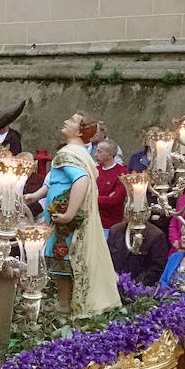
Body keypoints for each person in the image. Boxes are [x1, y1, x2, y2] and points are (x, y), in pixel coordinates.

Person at [41, 113, 121, 317]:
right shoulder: (80, 153)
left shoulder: (68, 153)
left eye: (72, 120)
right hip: (61, 214)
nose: (66, 120)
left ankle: (63, 305)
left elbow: (81, 180)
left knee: (64, 258)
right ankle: (66, 302)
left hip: (65, 220)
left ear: (79, 130)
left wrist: (68, 214)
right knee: (65, 258)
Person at [107, 221, 169, 286]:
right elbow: (107, 258)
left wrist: (135, 285)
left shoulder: (156, 235)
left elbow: (157, 266)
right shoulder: (115, 230)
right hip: (112, 283)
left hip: (140, 289)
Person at [93, 138, 128, 230]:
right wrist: (104, 198)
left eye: (99, 152)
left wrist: (92, 198)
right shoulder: (94, 171)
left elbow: (115, 200)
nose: (95, 155)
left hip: (109, 225)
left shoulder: (122, 173)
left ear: (110, 154)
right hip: (92, 222)